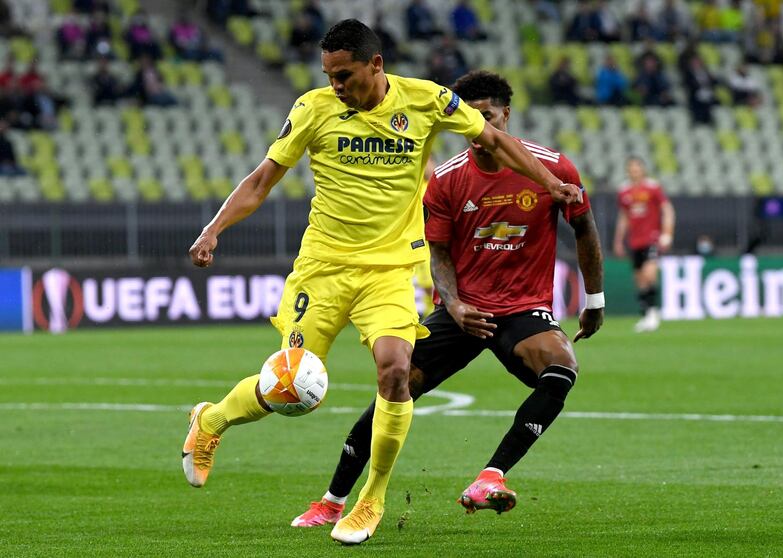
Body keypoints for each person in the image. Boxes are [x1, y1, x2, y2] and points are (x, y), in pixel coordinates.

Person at [181, 20, 582, 546]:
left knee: (396, 371)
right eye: (328, 75)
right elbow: (261, 180)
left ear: (376, 64)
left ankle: (371, 499)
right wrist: (213, 230)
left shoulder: (427, 101)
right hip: (323, 268)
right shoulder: (312, 109)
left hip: (390, 270)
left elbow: (493, 140)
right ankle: (211, 420)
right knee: (292, 390)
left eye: (343, 74)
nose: (335, 85)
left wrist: (551, 182)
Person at [290, 70, 604, 527]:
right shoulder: (447, 179)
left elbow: (585, 228)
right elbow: (438, 252)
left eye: (489, 117)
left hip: (520, 308)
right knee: (395, 386)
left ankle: (490, 477)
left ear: (506, 115)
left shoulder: (552, 168)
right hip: (462, 311)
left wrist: (593, 300)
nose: (481, 130)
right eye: (472, 119)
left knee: (561, 368)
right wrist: (454, 304)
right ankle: (332, 500)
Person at [613, 156, 674, 333]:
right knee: (639, 279)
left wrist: (667, 233)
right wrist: (618, 240)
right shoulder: (624, 192)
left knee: (649, 274)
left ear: (643, 169)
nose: (634, 171)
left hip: (651, 238)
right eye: (631, 168)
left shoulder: (653, 187)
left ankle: (653, 313)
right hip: (635, 240)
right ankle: (646, 314)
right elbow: (623, 217)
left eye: (637, 167)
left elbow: (667, 209)